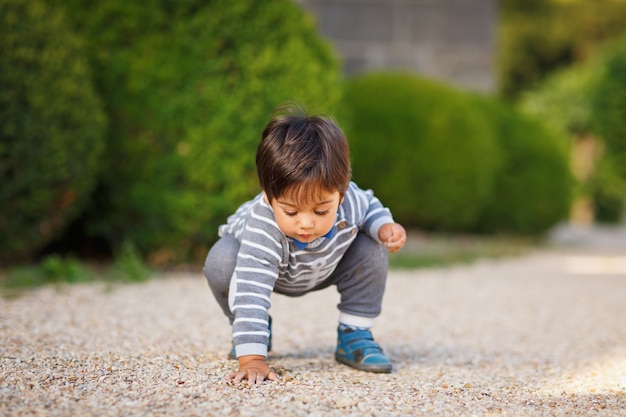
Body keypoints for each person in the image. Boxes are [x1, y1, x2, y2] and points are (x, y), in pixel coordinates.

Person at [203, 104, 406, 384]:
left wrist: (385, 227)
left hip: (327, 264)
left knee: (370, 246)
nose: (306, 223)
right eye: (291, 212)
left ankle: (354, 335)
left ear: (342, 194)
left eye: (321, 211)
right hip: (270, 270)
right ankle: (251, 332)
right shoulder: (263, 225)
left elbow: (370, 207)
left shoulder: (350, 199)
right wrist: (252, 359)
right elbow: (251, 288)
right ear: (269, 196)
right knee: (221, 259)